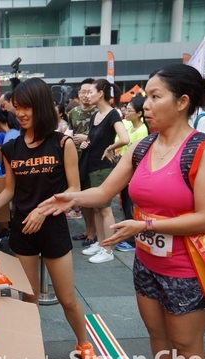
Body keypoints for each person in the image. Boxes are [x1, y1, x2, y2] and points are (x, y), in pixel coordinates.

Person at [39, 64, 205, 359]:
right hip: (147, 263)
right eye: (147, 97)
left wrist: (146, 225)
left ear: (182, 102)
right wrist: (70, 197)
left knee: (187, 345)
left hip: (187, 269)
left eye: (156, 97)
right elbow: (104, 192)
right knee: (156, 334)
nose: (145, 105)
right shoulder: (143, 147)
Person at [0, 78, 103, 359]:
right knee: (28, 298)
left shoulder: (62, 143)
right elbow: (9, 190)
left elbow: (73, 190)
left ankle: (83, 344)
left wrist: (44, 211)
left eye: (27, 107)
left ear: (41, 106)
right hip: (23, 231)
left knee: (67, 298)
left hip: (54, 228)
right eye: (17, 107)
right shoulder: (10, 147)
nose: (20, 113)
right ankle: (28, 349)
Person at [79, 78, 129, 263]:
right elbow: (93, 139)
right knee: (97, 208)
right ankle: (100, 243)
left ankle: (107, 250)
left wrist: (109, 148)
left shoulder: (113, 114)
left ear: (100, 94)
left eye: (90, 92)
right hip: (91, 166)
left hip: (102, 168)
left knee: (105, 209)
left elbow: (125, 138)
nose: (87, 95)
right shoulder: (95, 115)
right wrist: (87, 143)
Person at [115, 96, 149, 252]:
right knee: (125, 205)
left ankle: (131, 240)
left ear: (139, 113)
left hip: (133, 175)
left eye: (129, 110)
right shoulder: (129, 127)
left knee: (131, 206)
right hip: (125, 172)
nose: (126, 112)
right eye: (126, 109)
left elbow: (138, 156)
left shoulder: (142, 131)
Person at [68, 78, 97, 240]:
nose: (85, 95)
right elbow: (70, 132)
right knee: (82, 197)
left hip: (93, 158)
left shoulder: (99, 112)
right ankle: (88, 229)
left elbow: (106, 137)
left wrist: (87, 138)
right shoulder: (73, 112)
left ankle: (94, 233)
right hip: (77, 158)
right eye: (82, 92)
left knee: (94, 198)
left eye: (89, 92)